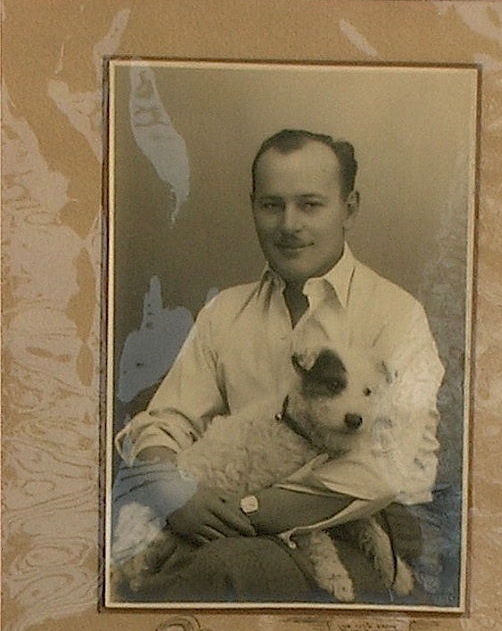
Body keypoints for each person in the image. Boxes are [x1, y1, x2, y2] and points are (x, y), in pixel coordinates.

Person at [112, 128, 444, 603]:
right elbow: (169, 420)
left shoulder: (395, 314)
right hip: (219, 512)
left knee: (218, 572)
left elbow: (387, 465)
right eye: (272, 205)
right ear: (252, 207)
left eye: (310, 204)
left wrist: (248, 508)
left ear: (348, 208)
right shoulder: (225, 312)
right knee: (130, 564)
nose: (289, 225)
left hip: (350, 522)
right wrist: (174, 492)